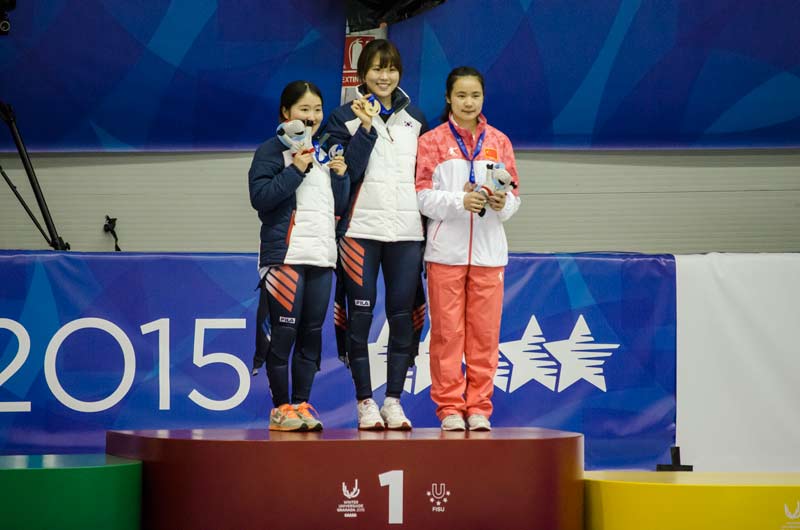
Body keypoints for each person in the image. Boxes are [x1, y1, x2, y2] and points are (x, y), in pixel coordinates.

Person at [323, 39, 428, 430]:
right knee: (360, 319)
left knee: (403, 318)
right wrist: (366, 129)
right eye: (377, 69)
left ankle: (394, 401)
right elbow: (343, 174)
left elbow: (426, 179)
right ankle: (365, 402)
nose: (384, 77)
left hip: (405, 232)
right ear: (362, 73)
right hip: (360, 233)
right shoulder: (341, 118)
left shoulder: (416, 118)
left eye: (391, 68)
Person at [415, 66, 521, 431]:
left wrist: (499, 204)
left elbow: (514, 199)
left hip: (490, 255)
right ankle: (448, 408)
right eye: (461, 95)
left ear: (483, 98)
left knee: (484, 335)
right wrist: (460, 201)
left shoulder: (500, 142)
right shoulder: (431, 141)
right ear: (448, 98)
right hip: (446, 253)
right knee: (447, 335)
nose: (468, 102)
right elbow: (423, 197)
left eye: (474, 95)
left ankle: (479, 407)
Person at [249, 80, 349, 431]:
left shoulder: (323, 154)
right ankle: (280, 409)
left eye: (317, 110)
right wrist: (296, 170)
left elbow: (338, 207)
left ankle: (303, 404)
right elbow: (261, 199)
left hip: (321, 257)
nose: (311, 117)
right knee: (284, 334)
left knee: (311, 334)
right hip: (285, 258)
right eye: (304, 109)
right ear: (286, 112)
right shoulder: (270, 151)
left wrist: (341, 178)